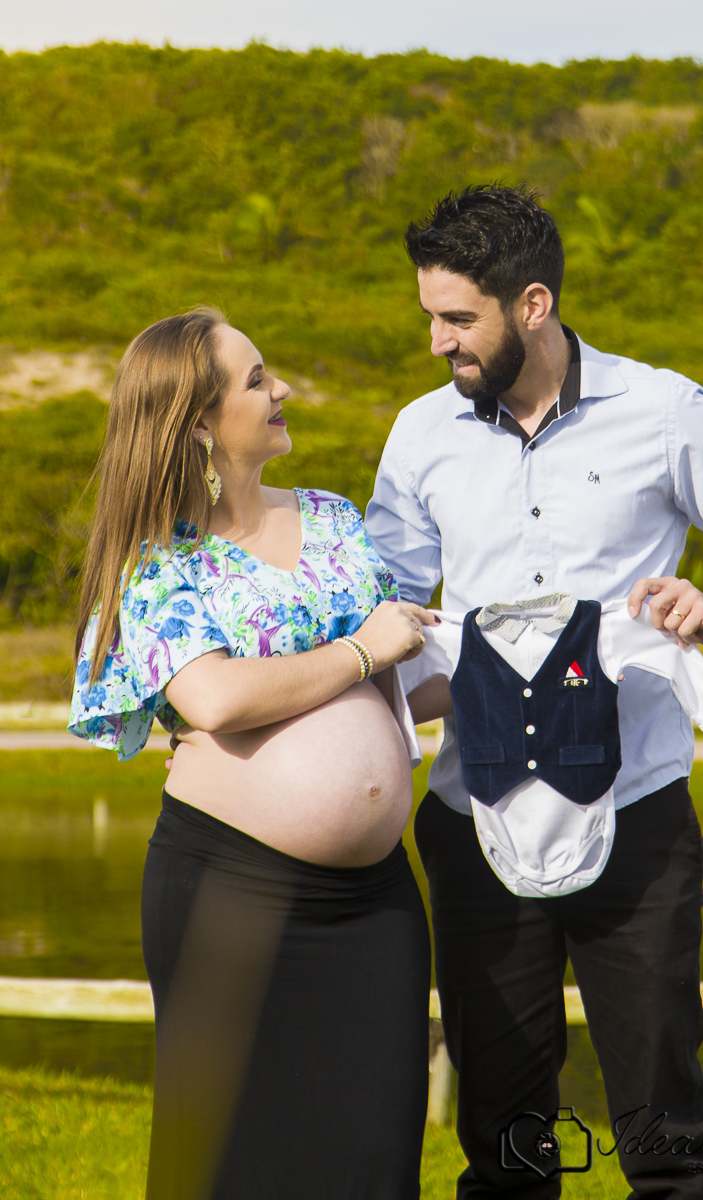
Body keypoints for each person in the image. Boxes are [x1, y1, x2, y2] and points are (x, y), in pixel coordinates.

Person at [365, 185, 703, 1199]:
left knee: (666, 1143)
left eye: (457, 320)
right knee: (501, 1145)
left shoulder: (663, 411)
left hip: (638, 820)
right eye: (429, 318)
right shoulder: (417, 436)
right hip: (470, 816)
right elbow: (388, 629)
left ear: (530, 305)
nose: (436, 343)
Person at [68, 308, 438, 1200]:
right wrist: (362, 651)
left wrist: (562, 645)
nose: (284, 392)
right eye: (257, 380)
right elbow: (215, 698)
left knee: (375, 1157)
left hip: (375, 901)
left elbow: (408, 675)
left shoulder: (335, 518)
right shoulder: (159, 560)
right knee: (234, 1163)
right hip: (229, 898)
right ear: (198, 421)